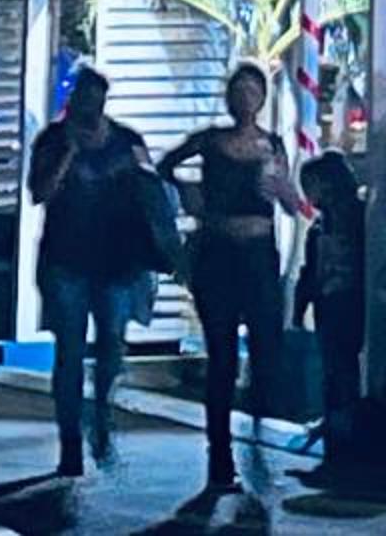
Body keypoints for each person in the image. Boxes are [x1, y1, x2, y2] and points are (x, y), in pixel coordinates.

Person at [160, 61, 309, 495]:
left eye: (252, 92)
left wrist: (284, 193)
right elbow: (166, 165)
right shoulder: (211, 141)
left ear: (262, 99)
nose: (245, 99)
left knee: (265, 349)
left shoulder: (271, 145)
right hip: (218, 252)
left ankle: (259, 434)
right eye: (238, 91)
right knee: (222, 356)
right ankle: (220, 454)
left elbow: (292, 203)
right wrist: (188, 193)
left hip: (259, 253)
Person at [26, 67, 159, 476]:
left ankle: (101, 416)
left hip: (117, 262)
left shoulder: (126, 140)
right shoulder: (53, 140)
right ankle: (70, 441)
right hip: (66, 260)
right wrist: (68, 152)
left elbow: (151, 191)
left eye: (95, 99)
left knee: (111, 347)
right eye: (82, 99)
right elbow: (40, 192)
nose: (89, 107)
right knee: (69, 351)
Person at [297, 150, 369, 450]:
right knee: (334, 362)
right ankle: (337, 417)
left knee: (341, 362)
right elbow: (310, 270)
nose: (308, 194)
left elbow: (310, 270)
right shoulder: (325, 224)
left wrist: (301, 303)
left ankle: (344, 419)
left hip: (347, 300)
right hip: (332, 300)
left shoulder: (355, 220)